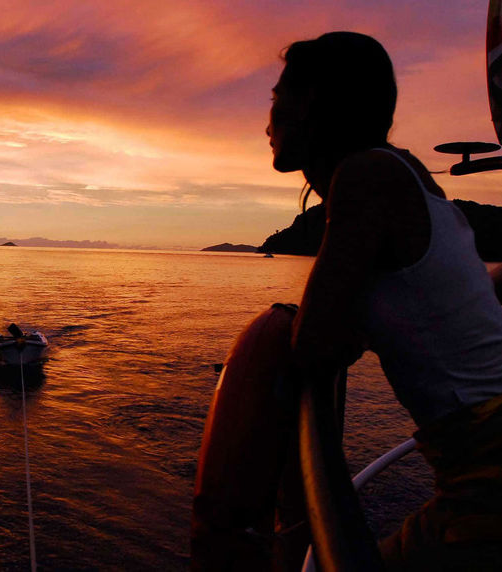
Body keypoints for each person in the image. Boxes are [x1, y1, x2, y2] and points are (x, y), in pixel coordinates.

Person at [192, 32, 502, 571]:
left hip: (490, 476)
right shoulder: (403, 176)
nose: (268, 122)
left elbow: (314, 343)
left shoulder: (368, 177)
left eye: (275, 97)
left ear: (312, 102)